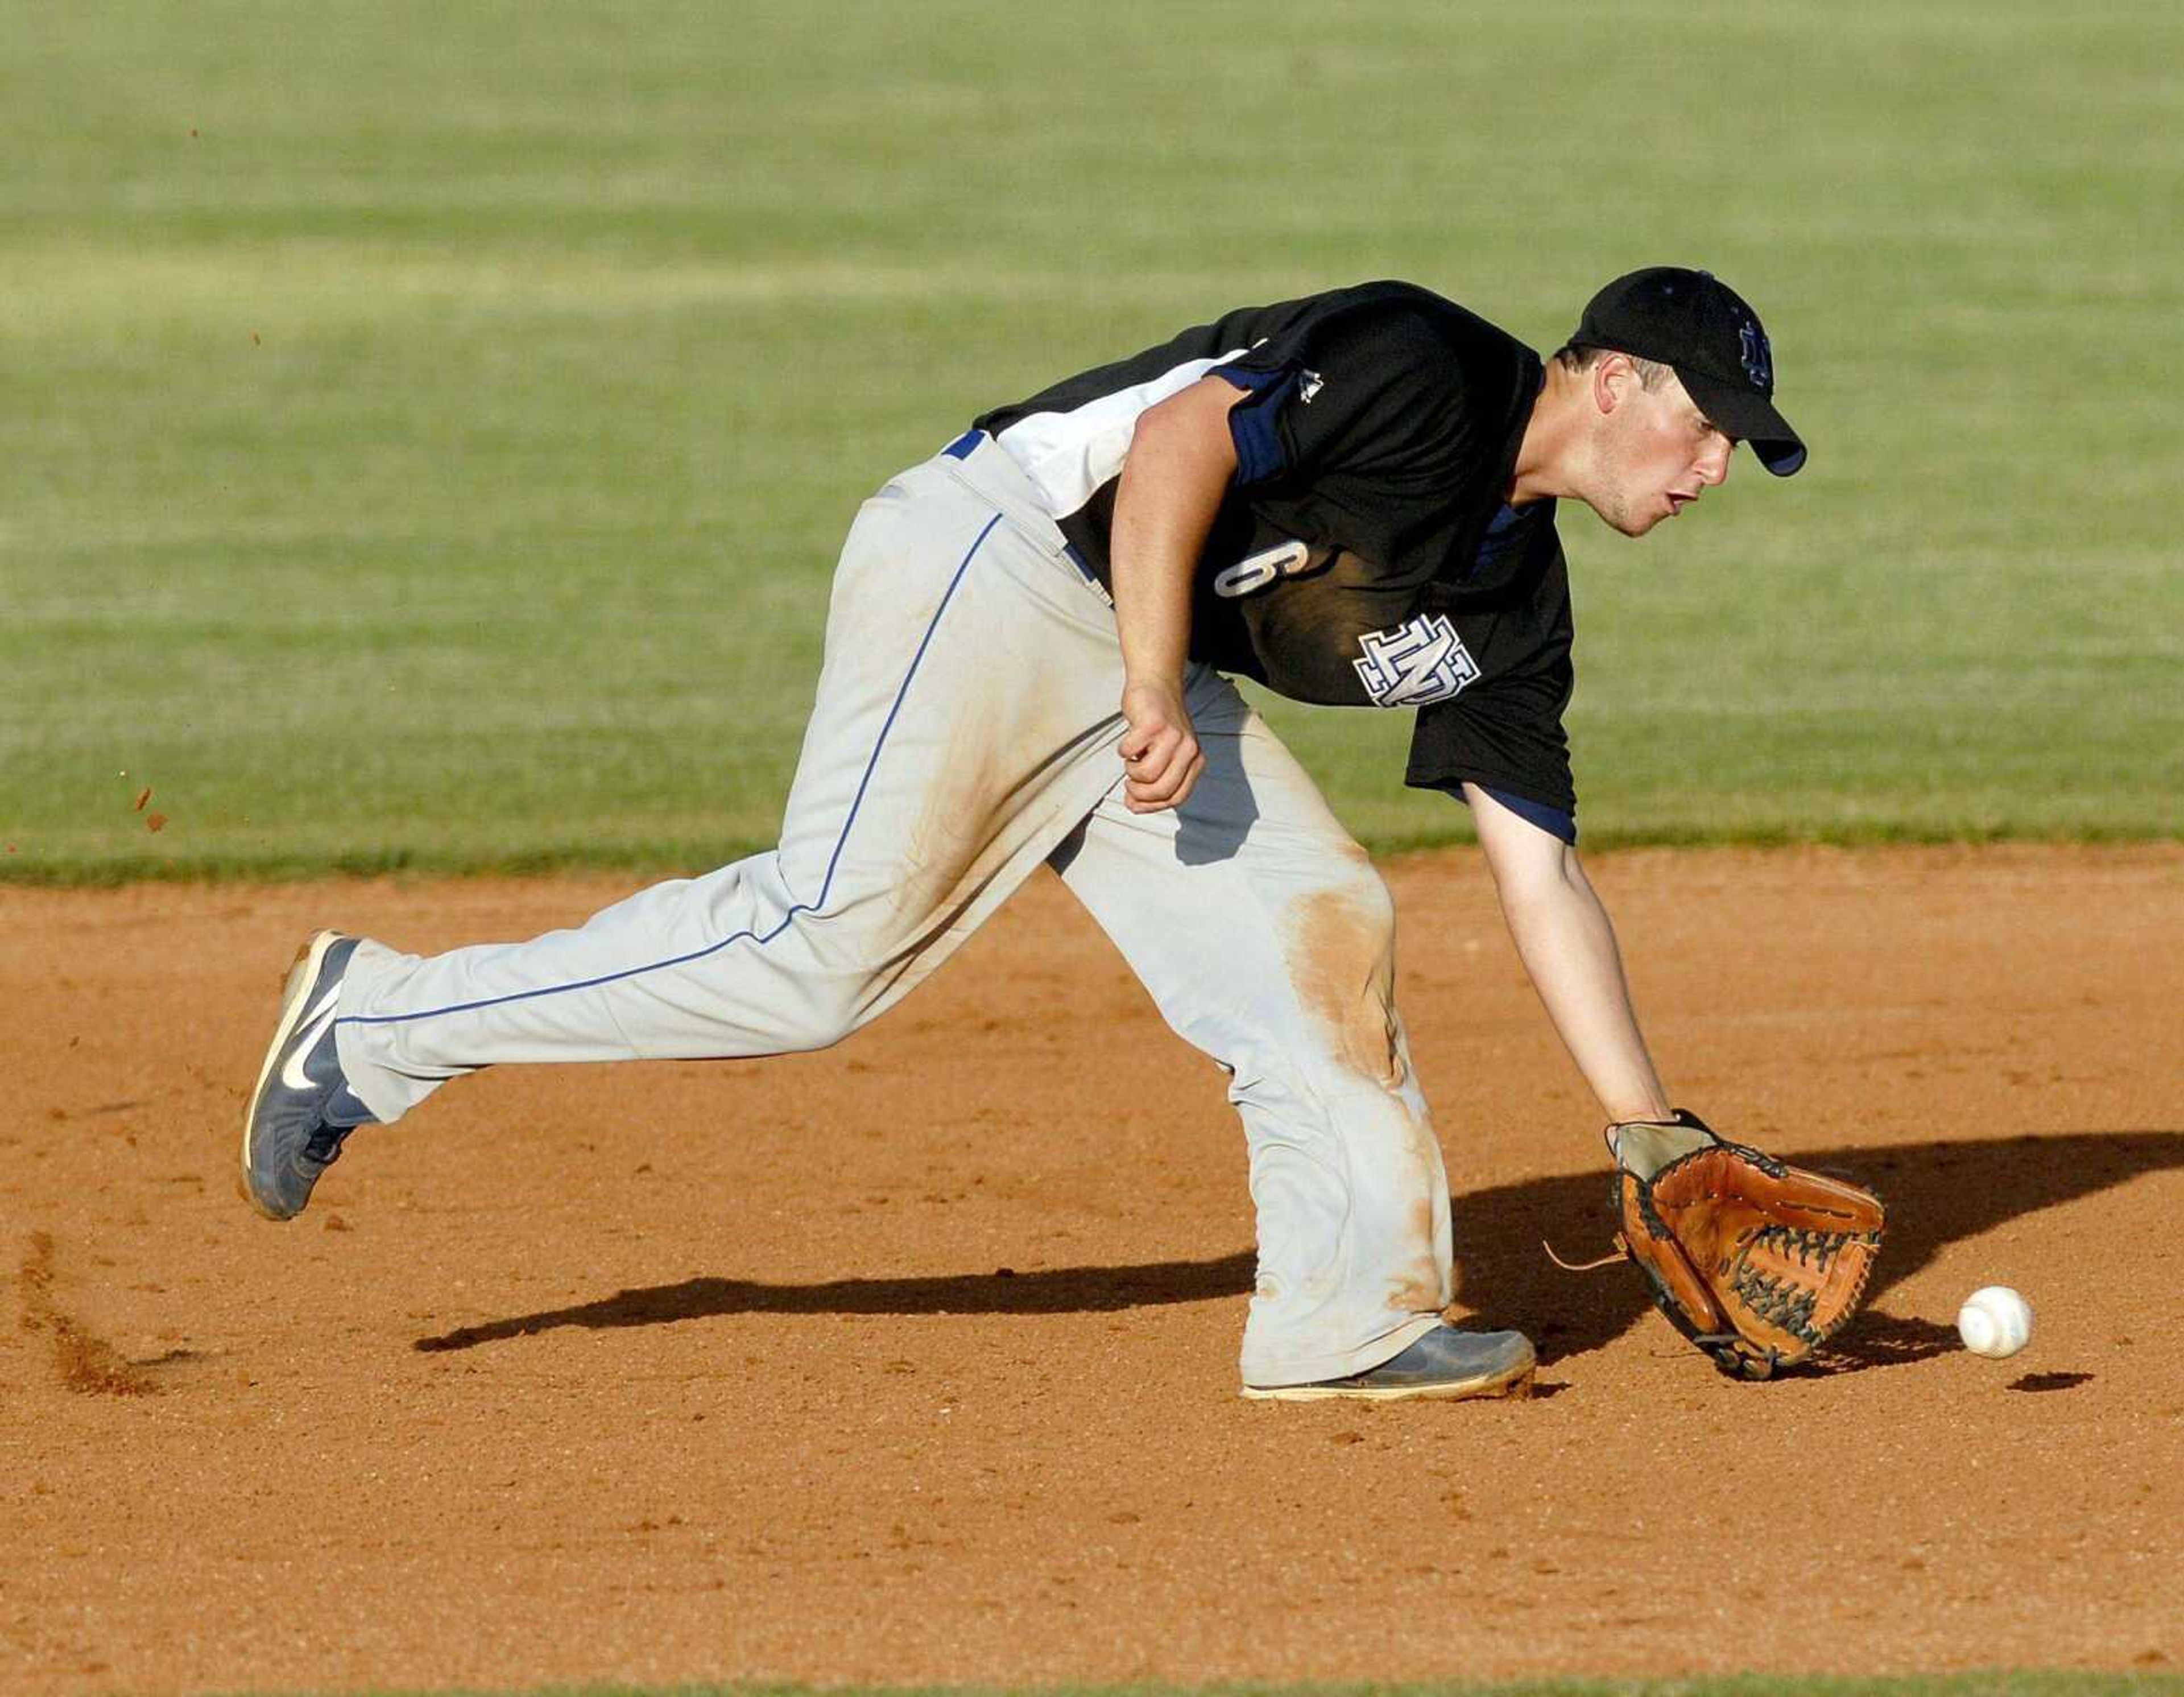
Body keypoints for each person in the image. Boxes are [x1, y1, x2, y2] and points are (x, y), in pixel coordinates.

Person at [242, 267, 1805, 1403]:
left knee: (1322, 927)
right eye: (1708, 426)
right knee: (817, 960)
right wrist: (1146, 682)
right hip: (997, 568)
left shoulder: (1514, 603)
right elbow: (1185, 448)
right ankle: (376, 1022)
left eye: (1738, 444)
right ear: (1615, 384)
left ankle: (1345, 1319)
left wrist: (1646, 1125)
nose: (1715, 466)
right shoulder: (1429, 366)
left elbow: (1536, 867)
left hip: (1135, 677)